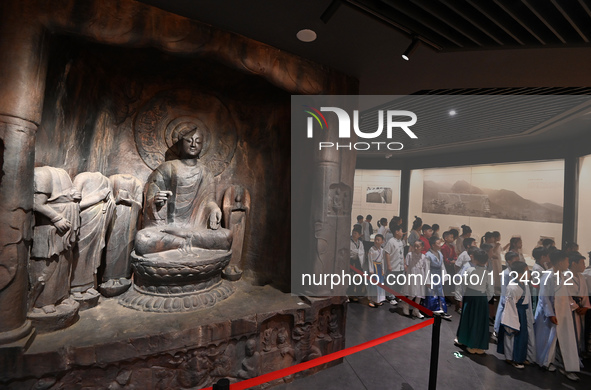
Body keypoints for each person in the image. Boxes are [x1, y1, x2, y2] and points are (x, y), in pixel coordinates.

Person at [135, 127, 232, 256]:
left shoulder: (206, 172)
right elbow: (151, 197)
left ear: (202, 146)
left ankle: (178, 241)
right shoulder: (167, 168)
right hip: (168, 228)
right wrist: (156, 201)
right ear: (180, 144)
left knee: (227, 236)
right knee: (143, 239)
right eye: (189, 141)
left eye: (198, 142)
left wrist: (214, 209)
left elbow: (209, 201)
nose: (193, 144)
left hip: (195, 229)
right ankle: (182, 243)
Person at [535, 250, 580, 381]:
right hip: (551, 313)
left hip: (563, 311)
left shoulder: (562, 275)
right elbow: (544, 297)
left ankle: (563, 363)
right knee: (549, 339)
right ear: (560, 262)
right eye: (567, 261)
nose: (568, 263)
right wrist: (550, 314)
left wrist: (572, 306)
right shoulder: (548, 276)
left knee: (562, 339)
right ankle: (546, 362)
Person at [456, 248, 494, 354]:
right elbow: (490, 290)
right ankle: (478, 345)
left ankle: (464, 340)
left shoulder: (469, 270)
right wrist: (484, 299)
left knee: (468, 319)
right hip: (481, 299)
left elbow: (463, 285)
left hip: (470, 297)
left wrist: (462, 296)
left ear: (475, 259)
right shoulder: (488, 273)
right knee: (479, 322)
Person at [497, 261, 533, 368]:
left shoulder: (524, 284)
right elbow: (510, 306)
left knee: (522, 337)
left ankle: (520, 357)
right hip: (514, 314)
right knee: (512, 337)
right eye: (527, 272)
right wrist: (513, 320)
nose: (530, 274)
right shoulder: (513, 287)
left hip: (523, 313)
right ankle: (512, 358)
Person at [567, 252, 590, 355]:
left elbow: (584, 293)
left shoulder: (581, 277)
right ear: (574, 264)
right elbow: (565, 295)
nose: (584, 265)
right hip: (570, 308)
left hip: (580, 307)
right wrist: (574, 306)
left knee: (580, 331)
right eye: (582, 263)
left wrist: (585, 306)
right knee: (571, 332)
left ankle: (578, 353)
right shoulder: (565, 276)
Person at [425, 236, 451, 320]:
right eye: (438, 243)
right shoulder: (428, 255)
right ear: (433, 245)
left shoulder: (440, 253)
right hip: (431, 276)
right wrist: (427, 280)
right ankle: (431, 310)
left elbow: (442, 266)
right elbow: (427, 268)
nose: (440, 245)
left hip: (438, 275)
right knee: (432, 293)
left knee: (440, 293)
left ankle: (441, 310)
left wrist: (444, 277)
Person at [402, 240, 428, 318]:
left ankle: (416, 310)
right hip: (412, 276)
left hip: (420, 276)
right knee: (413, 293)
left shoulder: (424, 257)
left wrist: (427, 279)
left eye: (418, 246)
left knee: (419, 294)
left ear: (422, 247)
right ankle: (406, 305)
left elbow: (426, 268)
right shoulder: (410, 255)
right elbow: (407, 265)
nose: (416, 248)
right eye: (415, 246)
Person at [384, 224, 405, 305]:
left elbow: (402, 253)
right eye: (401, 231)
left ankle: (397, 295)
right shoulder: (391, 241)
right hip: (393, 266)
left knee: (400, 281)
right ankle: (390, 297)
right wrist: (389, 265)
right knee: (391, 282)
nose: (402, 233)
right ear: (396, 232)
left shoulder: (400, 241)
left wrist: (404, 263)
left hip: (400, 266)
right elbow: (387, 253)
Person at [367, 234, 386, 308]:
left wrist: (383, 270)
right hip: (374, 268)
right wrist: (371, 270)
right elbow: (370, 260)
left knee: (379, 284)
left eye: (378, 240)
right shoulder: (372, 249)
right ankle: (371, 300)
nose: (376, 241)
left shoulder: (382, 250)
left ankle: (378, 300)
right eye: (375, 239)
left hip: (380, 268)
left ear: (382, 241)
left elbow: (383, 261)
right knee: (373, 285)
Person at [348, 225, 365, 302]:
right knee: (351, 278)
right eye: (353, 233)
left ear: (359, 235)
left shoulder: (360, 243)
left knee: (359, 278)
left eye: (356, 233)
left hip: (358, 262)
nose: (354, 234)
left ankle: (358, 292)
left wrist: (357, 253)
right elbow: (350, 252)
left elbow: (362, 252)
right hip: (351, 262)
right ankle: (350, 293)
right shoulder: (349, 241)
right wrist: (356, 252)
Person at [531, 246, 550, 313]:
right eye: (547, 255)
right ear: (542, 257)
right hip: (537, 289)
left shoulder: (544, 264)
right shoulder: (537, 268)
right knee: (536, 306)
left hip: (542, 288)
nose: (549, 257)